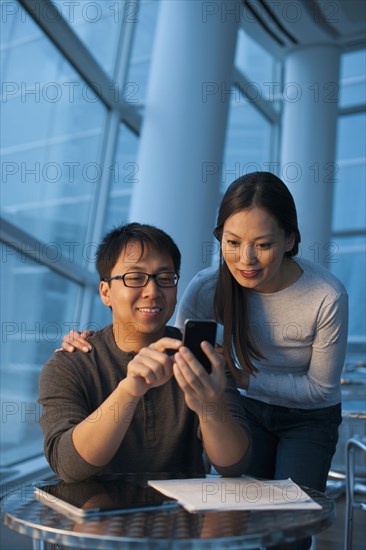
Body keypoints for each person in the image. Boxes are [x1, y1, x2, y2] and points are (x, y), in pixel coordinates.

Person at [62, 173, 348, 550]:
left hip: (308, 418)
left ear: (290, 240)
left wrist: (241, 377)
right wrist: (91, 340)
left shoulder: (325, 295)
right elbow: (169, 344)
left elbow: (320, 389)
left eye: (262, 244)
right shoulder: (207, 287)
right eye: (232, 243)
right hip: (247, 411)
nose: (245, 259)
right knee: (243, 520)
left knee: (289, 530)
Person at [39, 223, 250, 483]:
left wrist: (210, 406)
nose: (152, 291)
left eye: (165, 278)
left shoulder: (201, 359)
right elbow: (68, 466)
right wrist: (129, 391)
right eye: (135, 278)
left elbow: (233, 465)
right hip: (96, 517)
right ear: (106, 292)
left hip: (179, 517)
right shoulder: (70, 364)